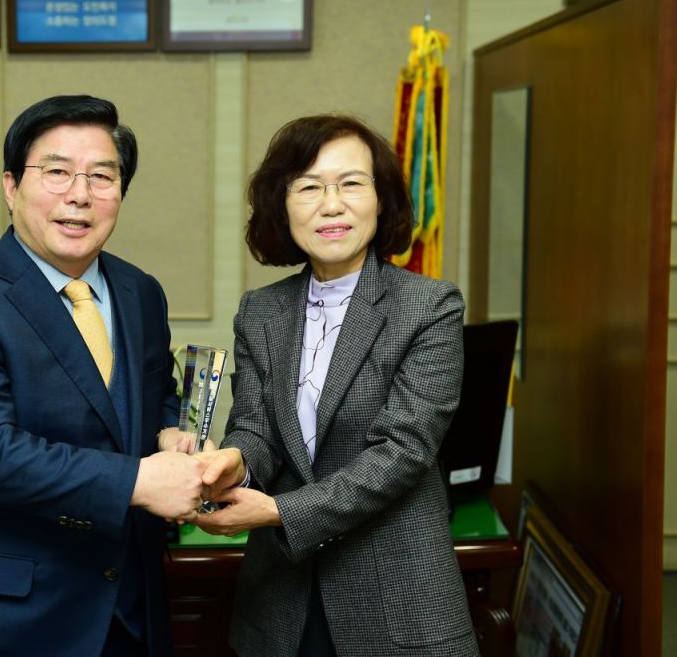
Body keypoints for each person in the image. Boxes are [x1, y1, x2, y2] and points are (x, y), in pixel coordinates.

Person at [0, 95, 207, 656]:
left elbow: (155, 399)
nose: (79, 194)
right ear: (11, 187)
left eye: (101, 176)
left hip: (125, 612)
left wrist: (170, 435)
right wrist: (139, 481)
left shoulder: (140, 292)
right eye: (56, 172)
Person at [192, 115, 479, 655]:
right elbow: (255, 427)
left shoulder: (429, 306)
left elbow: (403, 452)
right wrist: (235, 463)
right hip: (281, 596)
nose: (331, 205)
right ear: (282, 206)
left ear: (381, 200)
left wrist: (279, 512)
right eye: (308, 187)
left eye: (351, 183)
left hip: (395, 592)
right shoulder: (261, 310)